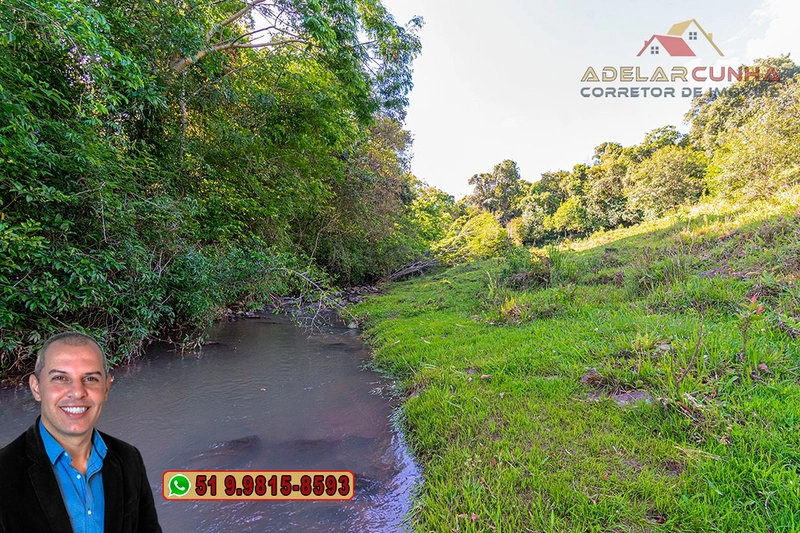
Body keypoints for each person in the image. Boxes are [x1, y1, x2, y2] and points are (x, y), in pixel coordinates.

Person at [0, 332, 162, 533]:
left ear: (106, 388)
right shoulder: (4, 472)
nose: (77, 392)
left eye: (91, 378)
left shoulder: (129, 459)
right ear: (36, 388)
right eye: (60, 378)